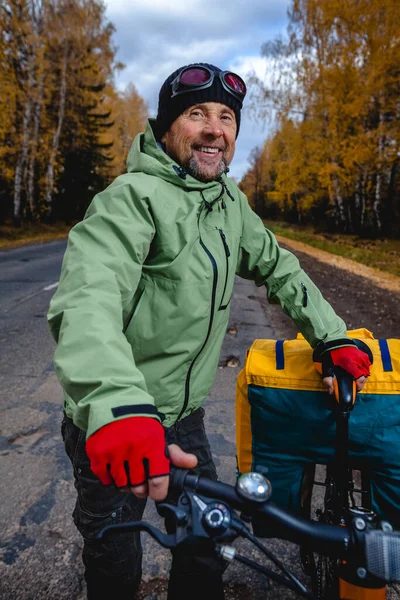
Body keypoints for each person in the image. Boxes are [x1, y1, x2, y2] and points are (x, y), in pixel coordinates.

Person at [47, 63, 371, 600]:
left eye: (226, 117)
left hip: (184, 416)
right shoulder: (131, 199)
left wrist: (331, 336)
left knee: (208, 542)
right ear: (167, 127)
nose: (213, 128)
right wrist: (117, 404)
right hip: (117, 420)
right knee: (115, 553)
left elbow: (277, 265)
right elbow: (89, 298)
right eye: (196, 113)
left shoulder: (228, 202)